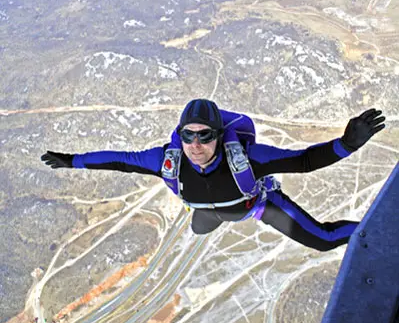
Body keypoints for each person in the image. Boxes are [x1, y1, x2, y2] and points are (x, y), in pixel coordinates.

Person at [41, 99, 385, 252]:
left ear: (219, 135)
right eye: (188, 135)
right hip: (208, 210)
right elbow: (119, 160)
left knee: (323, 242)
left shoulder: (248, 160)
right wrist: (72, 161)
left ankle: (384, 234)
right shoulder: (167, 162)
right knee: (201, 227)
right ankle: (214, 216)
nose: (195, 144)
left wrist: (346, 145)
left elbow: (304, 161)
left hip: (256, 205)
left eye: (204, 135)